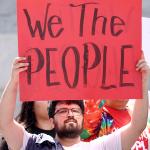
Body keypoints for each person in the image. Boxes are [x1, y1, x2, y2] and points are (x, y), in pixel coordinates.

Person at [0, 55, 149, 150]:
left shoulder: (101, 146)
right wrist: (14, 81)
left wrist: (142, 83)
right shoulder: (34, 144)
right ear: (52, 121)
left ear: (83, 119)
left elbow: (138, 125)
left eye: (75, 110)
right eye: (63, 111)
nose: (70, 114)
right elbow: (5, 123)